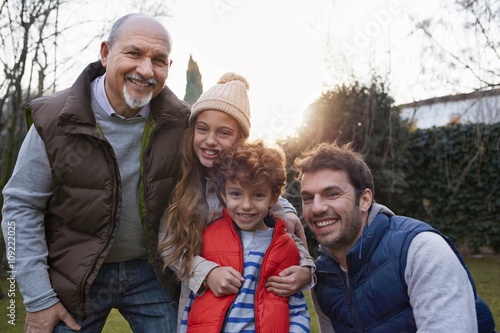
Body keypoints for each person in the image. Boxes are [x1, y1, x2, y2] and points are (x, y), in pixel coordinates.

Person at [1, 13, 190, 332]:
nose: (146, 70)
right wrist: (38, 298)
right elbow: (20, 208)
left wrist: (281, 209)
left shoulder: (183, 122)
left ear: (168, 68)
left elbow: (234, 173)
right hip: (75, 273)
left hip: (153, 271)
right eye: (133, 53)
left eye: (158, 60)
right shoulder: (54, 119)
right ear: (105, 54)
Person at [158, 72, 315, 328]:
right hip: (201, 291)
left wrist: (305, 270)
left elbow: (286, 239)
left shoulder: (254, 189)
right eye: (202, 129)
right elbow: (168, 245)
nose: (210, 140)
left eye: (223, 133)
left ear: (240, 140)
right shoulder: (181, 186)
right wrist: (206, 272)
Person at [293, 142, 497, 333]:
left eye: (332, 194)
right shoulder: (323, 276)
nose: (317, 208)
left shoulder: (420, 249)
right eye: (308, 198)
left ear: (364, 200)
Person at [179, 140, 310, 332]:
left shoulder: (285, 247)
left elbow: (296, 307)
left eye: (257, 195)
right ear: (223, 194)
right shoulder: (207, 238)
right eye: (236, 194)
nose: (246, 205)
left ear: (273, 198)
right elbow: (192, 305)